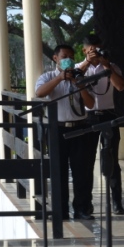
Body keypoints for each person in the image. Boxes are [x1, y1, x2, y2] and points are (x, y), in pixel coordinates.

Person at [34, 44, 96, 220]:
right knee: (58, 171)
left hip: (80, 129)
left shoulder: (81, 77)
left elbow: (90, 104)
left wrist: (78, 84)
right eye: (64, 56)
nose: (67, 58)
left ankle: (82, 208)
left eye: (70, 55)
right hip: (57, 130)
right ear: (55, 58)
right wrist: (60, 78)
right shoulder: (47, 76)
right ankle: (60, 210)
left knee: (82, 172)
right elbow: (39, 93)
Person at [78, 33, 124, 214]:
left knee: (112, 159)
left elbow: (121, 86)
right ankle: (87, 203)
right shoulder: (79, 67)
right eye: (91, 50)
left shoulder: (111, 67)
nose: (94, 53)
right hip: (87, 117)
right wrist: (86, 63)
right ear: (84, 50)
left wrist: (106, 66)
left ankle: (117, 202)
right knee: (86, 160)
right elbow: (73, 82)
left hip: (108, 115)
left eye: (97, 49)